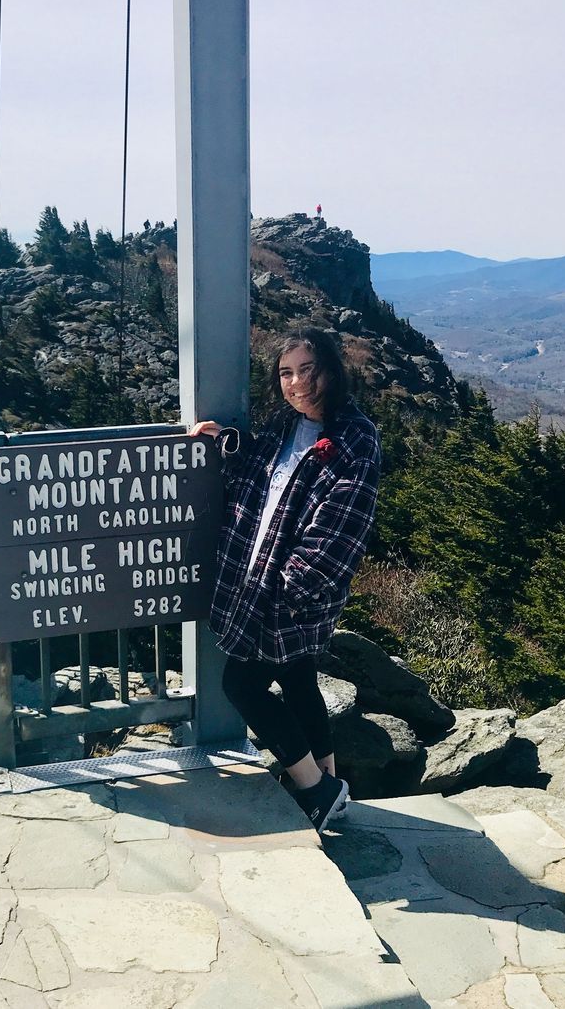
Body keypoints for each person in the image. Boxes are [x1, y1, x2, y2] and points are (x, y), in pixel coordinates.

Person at [190, 325, 381, 832]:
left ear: (331, 371)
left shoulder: (355, 437)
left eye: (307, 370)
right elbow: (260, 468)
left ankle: (315, 790)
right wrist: (227, 441)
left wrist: (292, 587)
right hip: (261, 580)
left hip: (289, 595)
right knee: (299, 681)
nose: (296, 383)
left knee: (240, 685)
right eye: (286, 373)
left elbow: (341, 527)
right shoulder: (285, 423)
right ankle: (332, 784)